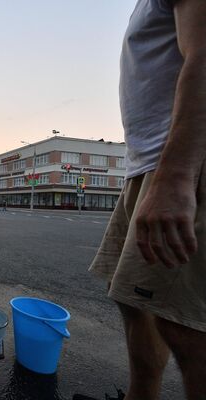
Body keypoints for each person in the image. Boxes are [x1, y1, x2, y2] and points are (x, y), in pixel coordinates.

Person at [89, 1, 206, 399]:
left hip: (177, 165)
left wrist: (176, 176)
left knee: (187, 327)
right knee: (137, 305)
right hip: (144, 167)